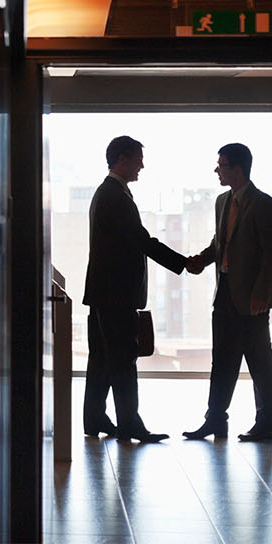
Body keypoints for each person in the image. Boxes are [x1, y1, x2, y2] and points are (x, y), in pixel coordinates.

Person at [82, 136, 189, 442]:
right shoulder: (114, 196)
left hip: (105, 293)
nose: (143, 164)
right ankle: (130, 424)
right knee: (123, 360)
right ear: (122, 159)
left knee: (102, 359)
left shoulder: (109, 193)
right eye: (138, 158)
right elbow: (141, 240)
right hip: (116, 295)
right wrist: (182, 263)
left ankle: (95, 418)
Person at [183, 143, 272, 442]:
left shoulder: (264, 204)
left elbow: (271, 254)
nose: (217, 170)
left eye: (221, 164)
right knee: (222, 361)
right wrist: (201, 259)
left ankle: (266, 422)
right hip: (224, 293)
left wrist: (261, 294)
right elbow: (220, 243)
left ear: (237, 169)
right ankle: (215, 420)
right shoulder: (222, 202)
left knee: (260, 362)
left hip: (252, 298)